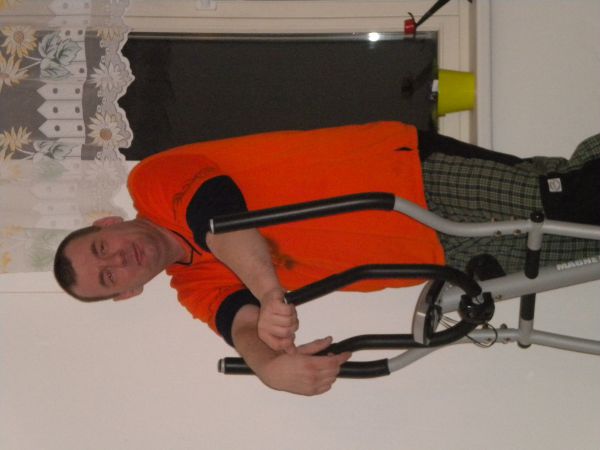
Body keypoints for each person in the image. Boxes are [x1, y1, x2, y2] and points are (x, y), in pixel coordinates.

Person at [53, 121, 600, 396]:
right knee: (579, 243)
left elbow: (219, 217)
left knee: (568, 202)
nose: (120, 257)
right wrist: (271, 368)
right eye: (110, 276)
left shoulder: (150, 182)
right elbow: (240, 326)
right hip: (432, 251)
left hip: (409, 179)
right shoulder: (192, 287)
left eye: (102, 248)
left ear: (108, 224)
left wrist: (269, 292)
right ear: (128, 292)